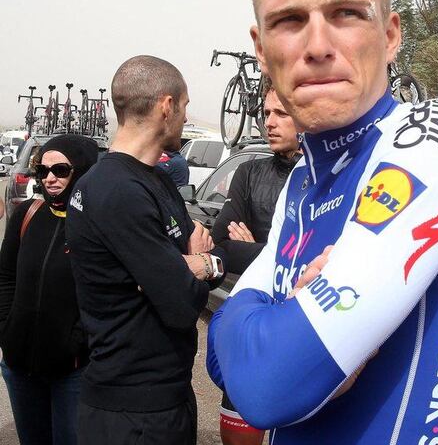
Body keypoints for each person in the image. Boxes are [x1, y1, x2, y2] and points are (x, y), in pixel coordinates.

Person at [206, 0, 438, 445]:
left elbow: (264, 386)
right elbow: (223, 364)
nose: (318, 46)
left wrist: (270, 323)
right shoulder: (302, 183)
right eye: (289, 20)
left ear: (390, 35)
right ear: (260, 49)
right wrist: (263, 329)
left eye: (346, 14)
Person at [66, 56, 225, 445]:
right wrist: (187, 269)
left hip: (165, 399)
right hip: (131, 414)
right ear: (166, 106)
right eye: (185, 107)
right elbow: (182, 304)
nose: (185, 118)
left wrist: (196, 265)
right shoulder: (117, 189)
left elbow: (203, 258)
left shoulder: (157, 182)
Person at [212, 80, 301, 445]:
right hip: (252, 320)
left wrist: (258, 249)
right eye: (266, 113)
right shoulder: (250, 173)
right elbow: (224, 245)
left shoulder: (327, 178)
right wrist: (278, 254)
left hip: (303, 326)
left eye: (281, 113)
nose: (270, 122)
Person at [0, 134, 99, 445]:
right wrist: (6, 330)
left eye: (61, 170)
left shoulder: (97, 223)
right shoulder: (27, 214)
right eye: (42, 171)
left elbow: (105, 292)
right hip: (19, 367)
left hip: (72, 373)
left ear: (82, 171)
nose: (50, 179)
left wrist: (77, 343)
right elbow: (5, 277)